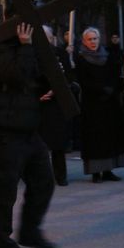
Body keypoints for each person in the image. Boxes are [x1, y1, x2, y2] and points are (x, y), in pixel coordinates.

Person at [0, 22, 56, 248]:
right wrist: (26, 46)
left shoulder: (28, 48)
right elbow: (17, 76)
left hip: (28, 127)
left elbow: (36, 77)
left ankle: (30, 232)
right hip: (3, 128)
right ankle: (0, 243)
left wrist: (53, 84)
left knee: (44, 181)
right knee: (5, 188)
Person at [75, 27, 124, 183]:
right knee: (95, 138)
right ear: (84, 41)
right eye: (90, 39)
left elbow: (115, 74)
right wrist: (100, 90)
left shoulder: (108, 55)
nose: (93, 42)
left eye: (95, 38)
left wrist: (112, 89)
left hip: (110, 102)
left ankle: (108, 170)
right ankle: (95, 172)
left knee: (110, 136)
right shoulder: (80, 58)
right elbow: (83, 80)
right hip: (92, 104)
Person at [38, 25, 74, 186]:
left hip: (56, 100)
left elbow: (67, 75)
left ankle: (61, 175)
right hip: (39, 100)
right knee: (39, 143)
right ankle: (41, 175)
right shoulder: (32, 53)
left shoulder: (60, 53)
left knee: (58, 141)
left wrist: (54, 90)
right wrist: (38, 93)